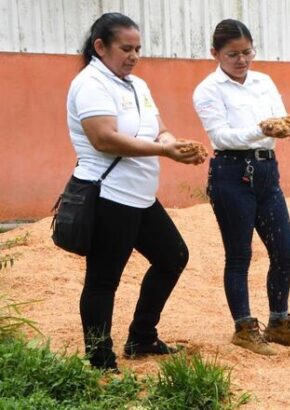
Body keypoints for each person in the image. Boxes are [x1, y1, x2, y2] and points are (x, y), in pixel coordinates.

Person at [67, 12, 206, 371]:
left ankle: (141, 336)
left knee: (173, 256)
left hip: (140, 196)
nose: (133, 55)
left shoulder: (136, 85)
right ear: (100, 47)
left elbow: (158, 129)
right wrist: (164, 151)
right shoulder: (90, 84)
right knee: (103, 280)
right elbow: (104, 138)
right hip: (110, 196)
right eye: (125, 48)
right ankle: (100, 359)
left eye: (137, 49)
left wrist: (176, 144)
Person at [193, 19, 290, 356]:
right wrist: (261, 130)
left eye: (247, 52)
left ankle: (279, 322)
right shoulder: (208, 90)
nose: (242, 60)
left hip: (265, 170)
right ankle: (244, 327)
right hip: (231, 172)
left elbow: (278, 116)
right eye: (232, 54)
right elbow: (220, 136)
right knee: (239, 255)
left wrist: (285, 125)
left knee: (286, 251)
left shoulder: (263, 81)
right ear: (215, 53)